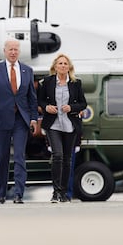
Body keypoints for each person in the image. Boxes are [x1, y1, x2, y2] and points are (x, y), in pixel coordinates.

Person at [0, 38, 38, 204]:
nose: (13, 52)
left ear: (19, 51)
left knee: (19, 156)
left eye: (16, 49)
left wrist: (34, 118)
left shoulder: (27, 70)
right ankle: (1, 193)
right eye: (10, 49)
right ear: (5, 51)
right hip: (1, 119)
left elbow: (32, 99)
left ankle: (19, 193)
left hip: (21, 120)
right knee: (2, 157)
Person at [38, 53, 87, 203]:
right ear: (55, 66)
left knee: (67, 159)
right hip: (53, 124)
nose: (63, 66)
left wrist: (71, 107)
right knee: (57, 155)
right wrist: (47, 107)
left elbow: (83, 103)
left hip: (70, 124)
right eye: (60, 63)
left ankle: (64, 193)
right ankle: (56, 192)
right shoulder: (47, 82)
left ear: (69, 67)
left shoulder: (76, 83)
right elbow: (39, 100)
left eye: (65, 64)